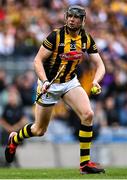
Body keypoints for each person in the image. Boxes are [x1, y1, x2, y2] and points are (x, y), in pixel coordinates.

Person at [5, 5, 106, 174]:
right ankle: (14, 139)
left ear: (83, 20)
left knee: (88, 114)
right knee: (39, 130)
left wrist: (96, 81)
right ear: (66, 17)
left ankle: (85, 164)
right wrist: (44, 81)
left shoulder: (85, 39)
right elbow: (37, 61)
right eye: (69, 16)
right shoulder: (55, 36)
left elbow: (100, 65)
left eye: (76, 17)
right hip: (49, 85)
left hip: (69, 82)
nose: (72, 19)